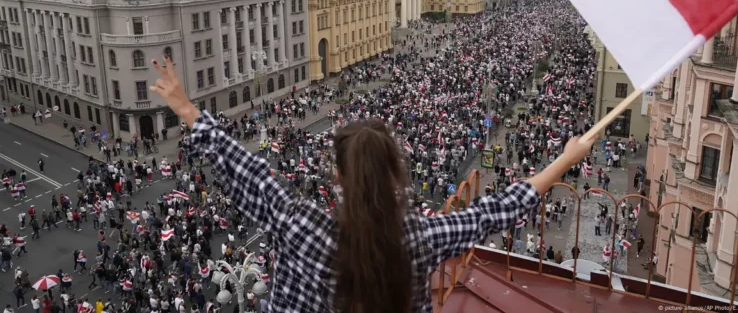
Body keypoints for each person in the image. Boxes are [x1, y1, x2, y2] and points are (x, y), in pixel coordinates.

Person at [148, 55, 596, 312]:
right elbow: (498, 210)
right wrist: (565, 158)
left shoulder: (298, 223)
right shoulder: (420, 236)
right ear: (395, 171)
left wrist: (187, 109)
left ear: (337, 174)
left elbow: (244, 168)